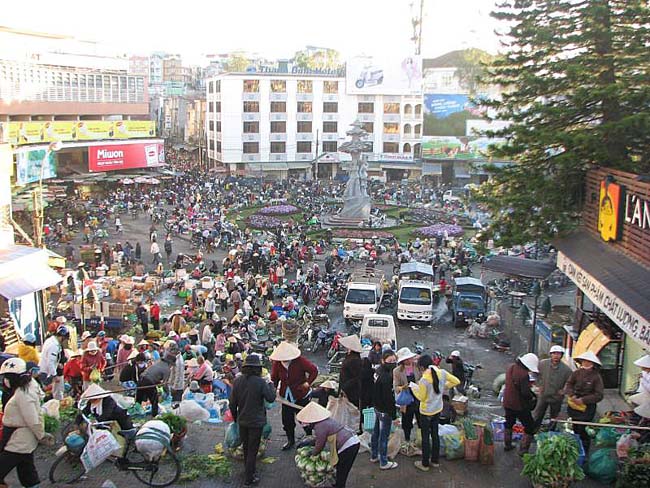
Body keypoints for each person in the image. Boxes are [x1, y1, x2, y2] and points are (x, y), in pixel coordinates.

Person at [0, 358, 55, 488]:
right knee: (27, 471)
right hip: (22, 438)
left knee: (12, 466)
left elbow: (33, 420)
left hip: (19, 440)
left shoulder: (24, 394)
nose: (5, 381)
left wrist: (42, 435)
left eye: (7, 377)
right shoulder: (29, 385)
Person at [229, 354, 276, 488]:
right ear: (258, 368)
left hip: (242, 420)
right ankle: (249, 478)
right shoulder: (261, 382)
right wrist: (271, 384)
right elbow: (271, 398)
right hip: (256, 422)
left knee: (245, 447)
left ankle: (249, 472)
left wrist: (235, 419)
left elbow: (232, 403)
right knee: (252, 450)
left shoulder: (238, 381)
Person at [411, 354, 460, 471]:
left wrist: (413, 388)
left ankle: (425, 464)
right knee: (435, 434)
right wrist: (443, 387)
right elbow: (456, 381)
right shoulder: (442, 372)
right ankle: (435, 461)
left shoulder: (424, 380)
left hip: (426, 412)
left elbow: (421, 398)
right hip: (437, 409)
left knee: (425, 437)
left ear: (422, 367)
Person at [297, 401, 360, 488]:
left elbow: (320, 445)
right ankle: (338, 484)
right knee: (340, 467)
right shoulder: (324, 421)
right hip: (352, 440)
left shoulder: (319, 426)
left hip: (349, 445)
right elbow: (320, 438)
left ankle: (339, 485)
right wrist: (310, 442)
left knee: (342, 470)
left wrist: (312, 454)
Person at [270, 342, 318, 450]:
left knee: (305, 418)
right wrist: (273, 388)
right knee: (287, 420)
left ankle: (309, 437)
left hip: (300, 394)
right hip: (286, 397)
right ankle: (290, 440)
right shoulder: (277, 364)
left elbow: (314, 370)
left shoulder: (300, 361)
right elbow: (274, 378)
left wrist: (307, 383)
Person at [564, 351, 604, 452]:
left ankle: (584, 450)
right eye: (584, 361)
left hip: (587, 407)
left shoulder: (596, 377)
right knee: (575, 427)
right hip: (574, 406)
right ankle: (576, 448)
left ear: (593, 364)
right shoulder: (576, 373)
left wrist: (583, 400)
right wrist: (572, 395)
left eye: (588, 362)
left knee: (584, 429)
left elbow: (599, 395)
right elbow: (569, 384)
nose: (585, 363)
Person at [502, 353, 539, 454]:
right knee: (529, 426)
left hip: (507, 402)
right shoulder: (523, 375)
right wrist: (533, 395)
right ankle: (523, 450)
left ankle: (507, 444)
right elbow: (525, 393)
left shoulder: (511, 367)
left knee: (509, 423)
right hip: (519, 406)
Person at [370, 350, 398, 470]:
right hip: (384, 411)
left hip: (377, 407)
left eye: (394, 360)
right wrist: (394, 415)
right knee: (384, 436)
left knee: (375, 432)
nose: (393, 363)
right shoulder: (386, 377)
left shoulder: (377, 371)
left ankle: (374, 455)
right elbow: (388, 398)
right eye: (390, 361)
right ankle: (383, 462)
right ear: (383, 360)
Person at [533, 345, 572, 430]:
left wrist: (564, 390)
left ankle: (551, 431)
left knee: (554, 416)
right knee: (538, 414)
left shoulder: (567, 370)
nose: (556, 356)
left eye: (558, 354)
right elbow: (535, 374)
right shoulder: (542, 364)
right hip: (543, 395)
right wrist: (538, 385)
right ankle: (533, 430)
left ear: (561, 355)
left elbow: (570, 383)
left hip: (556, 397)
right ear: (551, 354)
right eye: (554, 353)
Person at [393, 347, 421, 457]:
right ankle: (408, 439)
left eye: (410, 358)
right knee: (406, 420)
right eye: (407, 359)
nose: (409, 360)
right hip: (406, 399)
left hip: (418, 397)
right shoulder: (397, 371)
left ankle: (420, 440)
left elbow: (423, 379)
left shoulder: (418, 367)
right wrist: (403, 387)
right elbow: (396, 387)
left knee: (420, 419)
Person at [137, 350, 176, 417]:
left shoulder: (158, 362)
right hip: (148, 381)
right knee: (154, 400)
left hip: (141, 378)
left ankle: (136, 413)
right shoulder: (167, 369)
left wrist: (158, 383)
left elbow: (155, 375)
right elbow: (165, 384)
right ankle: (154, 416)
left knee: (138, 399)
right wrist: (167, 393)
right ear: (170, 363)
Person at [37, 325, 69, 400]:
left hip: (45, 370)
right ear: (62, 337)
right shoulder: (54, 346)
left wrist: (57, 364)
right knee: (56, 393)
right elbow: (50, 362)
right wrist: (54, 375)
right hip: (47, 372)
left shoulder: (50, 340)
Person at [338, 335, 363, 410]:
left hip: (351, 392)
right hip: (349, 389)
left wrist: (345, 387)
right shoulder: (353, 357)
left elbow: (357, 377)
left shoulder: (354, 360)